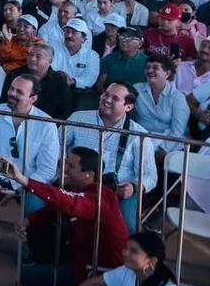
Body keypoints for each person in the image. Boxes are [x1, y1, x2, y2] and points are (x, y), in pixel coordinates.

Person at [2, 148, 128, 286]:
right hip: (80, 257)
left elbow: (69, 203)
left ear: (87, 175)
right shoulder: (80, 188)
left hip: (100, 272)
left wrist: (22, 179)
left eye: (71, 166)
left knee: (26, 276)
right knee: (38, 228)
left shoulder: (101, 198)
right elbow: (55, 208)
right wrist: (29, 220)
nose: (64, 168)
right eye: (66, 163)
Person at [0, 74, 61, 250]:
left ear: (33, 98)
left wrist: (19, 189)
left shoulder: (46, 124)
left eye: (19, 91)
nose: (12, 93)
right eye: (11, 88)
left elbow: (47, 170)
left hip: (30, 179)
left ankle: (30, 249)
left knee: (35, 208)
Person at [65, 82, 158, 233]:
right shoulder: (78, 118)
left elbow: (150, 176)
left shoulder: (139, 135)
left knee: (125, 226)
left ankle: (121, 256)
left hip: (116, 193)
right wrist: (64, 166)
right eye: (106, 94)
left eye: (115, 98)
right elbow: (56, 145)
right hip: (75, 185)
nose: (107, 99)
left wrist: (132, 187)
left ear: (128, 107)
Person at [49, 231, 189, 286]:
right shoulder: (128, 271)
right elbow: (92, 283)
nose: (125, 253)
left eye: (133, 251)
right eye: (126, 248)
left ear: (151, 260)